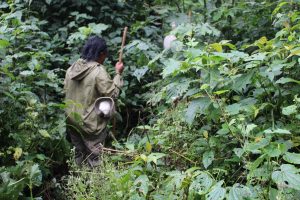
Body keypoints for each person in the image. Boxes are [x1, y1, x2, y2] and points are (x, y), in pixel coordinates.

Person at [64, 36, 124, 167]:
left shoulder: (71, 69)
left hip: (72, 121)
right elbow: (112, 94)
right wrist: (118, 74)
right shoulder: (98, 71)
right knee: (95, 159)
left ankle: (77, 183)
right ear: (101, 54)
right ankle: (94, 185)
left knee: (78, 155)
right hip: (90, 125)